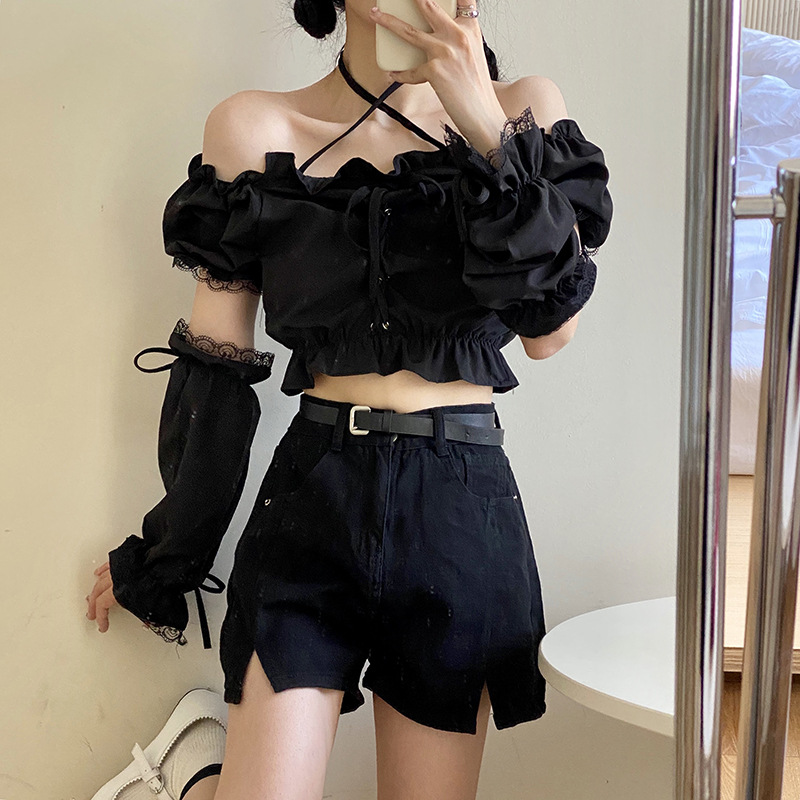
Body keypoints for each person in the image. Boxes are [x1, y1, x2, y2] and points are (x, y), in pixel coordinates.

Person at [86, 0, 613, 797]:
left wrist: (483, 123)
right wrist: (167, 556)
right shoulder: (255, 128)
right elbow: (217, 369)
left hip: (458, 509)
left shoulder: (523, 112)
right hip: (312, 498)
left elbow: (552, 331)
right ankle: (199, 775)